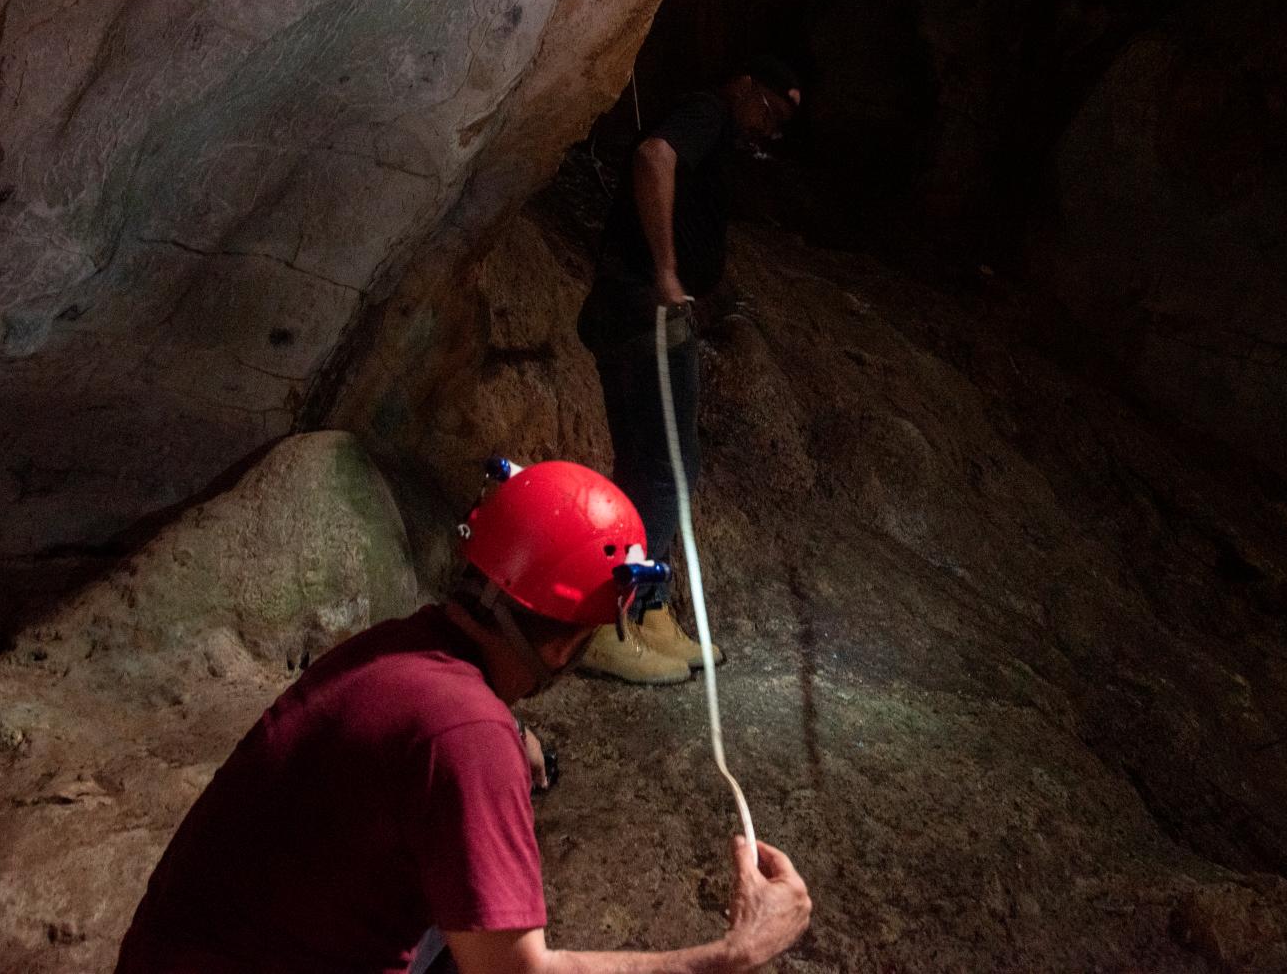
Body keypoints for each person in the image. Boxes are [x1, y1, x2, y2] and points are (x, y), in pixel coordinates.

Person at [115, 460, 812, 974]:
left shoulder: (399, 649)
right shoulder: (465, 736)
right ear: (570, 641)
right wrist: (730, 953)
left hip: (176, 951)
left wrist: (505, 732)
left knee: (466, 905)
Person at [574, 59, 803, 684]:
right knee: (669, 468)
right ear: (746, 84)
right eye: (769, 113)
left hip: (628, 303)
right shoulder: (706, 111)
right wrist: (669, 271)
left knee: (646, 463)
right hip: (643, 304)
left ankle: (646, 614)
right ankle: (610, 618)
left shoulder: (713, 125)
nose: (766, 129)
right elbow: (654, 157)